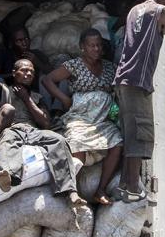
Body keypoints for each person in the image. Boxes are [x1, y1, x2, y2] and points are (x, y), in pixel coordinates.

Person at [0, 58, 86, 208]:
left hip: (33, 130)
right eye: (24, 70)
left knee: (58, 139)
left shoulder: (36, 97)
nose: (28, 74)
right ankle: (8, 176)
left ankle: (70, 190)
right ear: (14, 73)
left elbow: (45, 123)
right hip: (11, 128)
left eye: (32, 72)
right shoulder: (4, 89)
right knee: (8, 141)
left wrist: (27, 99)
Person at [113, 0, 165, 202]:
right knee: (142, 133)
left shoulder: (134, 10)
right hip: (137, 79)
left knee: (131, 134)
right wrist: (160, 6)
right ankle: (132, 187)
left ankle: (125, 185)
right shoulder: (160, 10)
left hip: (124, 79)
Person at [42, 29, 123, 205]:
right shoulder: (74, 65)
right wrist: (63, 99)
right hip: (80, 117)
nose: (96, 49)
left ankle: (100, 190)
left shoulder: (109, 67)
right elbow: (47, 80)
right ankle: (72, 191)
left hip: (101, 120)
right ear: (82, 47)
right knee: (75, 141)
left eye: (99, 45)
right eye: (91, 45)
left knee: (117, 142)